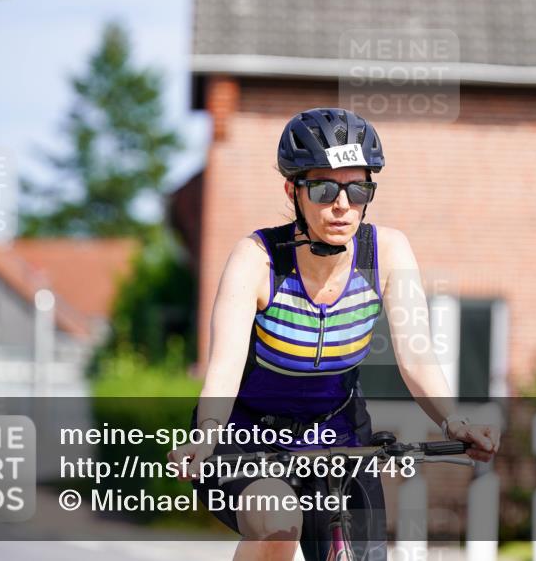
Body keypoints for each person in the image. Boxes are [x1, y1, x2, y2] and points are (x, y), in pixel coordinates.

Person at [169, 108, 500, 561]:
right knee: (279, 522)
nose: (342, 205)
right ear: (293, 191)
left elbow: (417, 355)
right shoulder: (257, 259)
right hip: (247, 440)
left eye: (358, 188)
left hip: (339, 437)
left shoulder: (387, 251)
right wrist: (206, 433)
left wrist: (454, 421)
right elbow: (223, 368)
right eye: (324, 189)